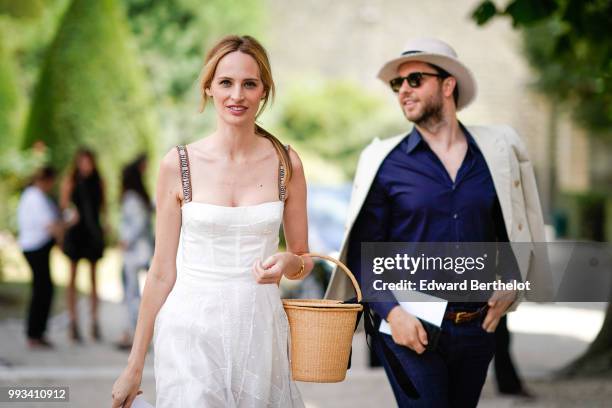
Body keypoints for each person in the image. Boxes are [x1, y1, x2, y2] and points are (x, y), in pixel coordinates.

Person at [325, 38, 551, 406]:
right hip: (408, 325)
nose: (404, 92)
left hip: (477, 328)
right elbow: (364, 253)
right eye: (398, 85)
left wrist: (512, 283)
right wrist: (393, 314)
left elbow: (511, 230)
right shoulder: (386, 163)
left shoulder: (492, 157)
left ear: (448, 86)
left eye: (415, 80)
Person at [111, 35, 312, 408]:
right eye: (226, 83)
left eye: (249, 84)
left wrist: (288, 262)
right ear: (208, 87)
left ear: (264, 91)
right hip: (190, 328)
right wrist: (134, 366)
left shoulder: (287, 164)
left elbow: (304, 259)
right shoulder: (179, 165)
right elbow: (160, 272)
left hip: (259, 331)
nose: (237, 95)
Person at [60, 148, 106, 342]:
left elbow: (104, 208)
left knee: (94, 278)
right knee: (72, 277)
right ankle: (73, 320)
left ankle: (94, 321)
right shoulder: (71, 181)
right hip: (76, 233)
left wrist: (103, 226)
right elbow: (64, 205)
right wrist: (71, 215)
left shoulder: (99, 182)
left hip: (92, 232)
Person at [17, 167, 63, 348]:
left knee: (44, 290)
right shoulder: (34, 197)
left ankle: (38, 332)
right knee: (42, 291)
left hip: (38, 247)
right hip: (35, 248)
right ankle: (34, 333)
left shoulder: (36, 196)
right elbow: (51, 225)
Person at [115, 155, 155, 351]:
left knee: (132, 294)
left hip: (135, 253)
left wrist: (126, 239)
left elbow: (138, 223)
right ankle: (136, 334)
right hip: (143, 251)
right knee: (139, 294)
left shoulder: (131, 198)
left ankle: (136, 335)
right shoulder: (139, 197)